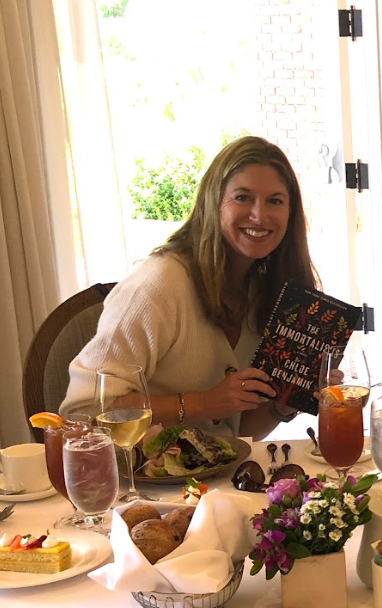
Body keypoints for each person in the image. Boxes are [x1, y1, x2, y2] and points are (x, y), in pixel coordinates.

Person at [61, 136, 318, 439]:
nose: (260, 215)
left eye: (275, 200)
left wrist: (286, 403)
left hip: (211, 479)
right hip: (136, 479)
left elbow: (237, 431)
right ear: (213, 201)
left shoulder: (265, 291)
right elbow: (84, 410)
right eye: (242, 197)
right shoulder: (158, 285)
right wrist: (203, 403)